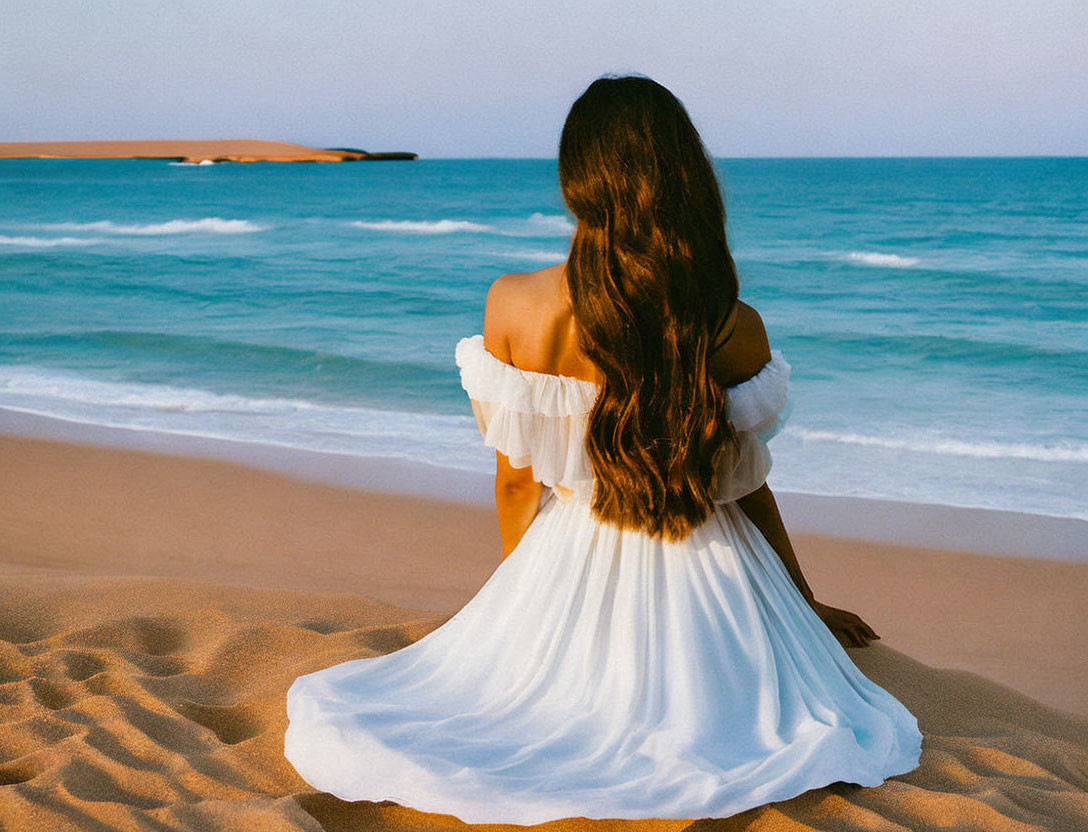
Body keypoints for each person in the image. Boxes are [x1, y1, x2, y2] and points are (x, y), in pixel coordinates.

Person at [284, 74, 923, 823]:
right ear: (687, 178)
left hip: (568, 548)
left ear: (576, 181)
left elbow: (518, 483)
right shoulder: (730, 321)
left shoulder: (515, 305)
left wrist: (525, 609)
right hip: (716, 576)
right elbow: (743, 483)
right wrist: (802, 602)